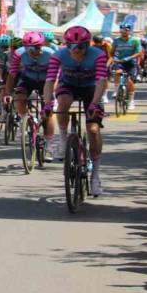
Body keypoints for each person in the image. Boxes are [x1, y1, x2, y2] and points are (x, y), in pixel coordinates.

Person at [43, 26, 109, 195]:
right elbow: (50, 80)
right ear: (66, 45)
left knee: (93, 130)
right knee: (63, 101)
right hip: (68, 85)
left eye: (81, 46)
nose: (76, 50)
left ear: (87, 45)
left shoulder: (98, 55)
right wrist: (48, 103)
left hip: (91, 89)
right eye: (71, 46)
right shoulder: (58, 55)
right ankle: (63, 140)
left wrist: (94, 104)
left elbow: (101, 81)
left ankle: (95, 176)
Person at [4, 31, 57, 158]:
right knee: (19, 97)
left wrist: (50, 98)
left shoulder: (51, 54)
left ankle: (49, 145)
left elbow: (56, 77)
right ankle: (24, 120)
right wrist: (7, 93)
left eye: (36, 47)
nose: (32, 51)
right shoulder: (19, 53)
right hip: (28, 79)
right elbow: (12, 74)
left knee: (48, 114)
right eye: (28, 48)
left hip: (47, 81)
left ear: (42, 45)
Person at [109, 23, 143, 109]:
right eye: (122, 30)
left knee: (130, 81)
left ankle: (131, 101)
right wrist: (114, 58)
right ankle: (116, 91)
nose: (124, 32)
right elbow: (112, 52)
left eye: (126, 30)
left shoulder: (135, 40)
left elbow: (139, 52)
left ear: (129, 31)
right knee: (117, 72)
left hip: (131, 62)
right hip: (120, 61)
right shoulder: (116, 40)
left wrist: (129, 58)